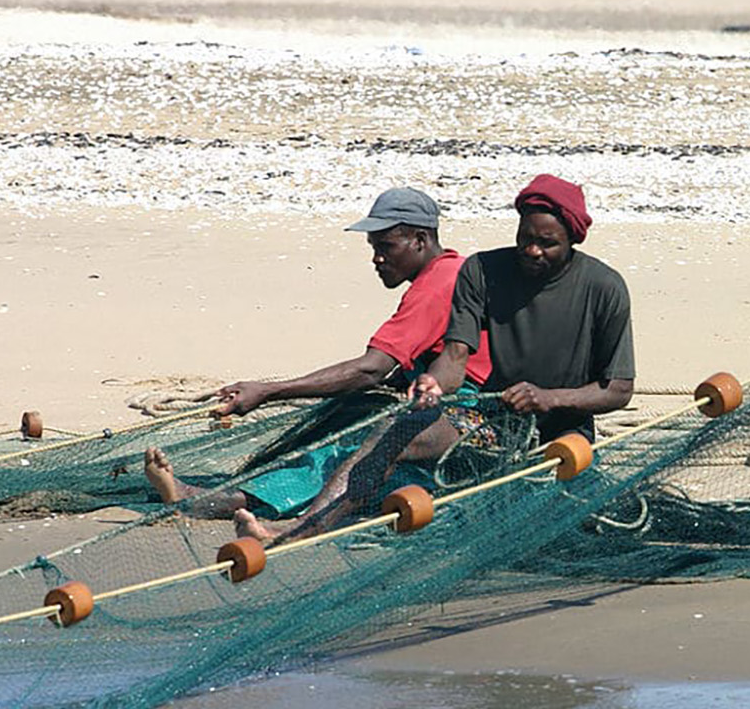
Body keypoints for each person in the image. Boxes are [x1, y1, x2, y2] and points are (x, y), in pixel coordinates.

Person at [233, 174, 635, 541]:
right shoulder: (482, 270)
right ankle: (303, 529)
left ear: (572, 240)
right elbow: (456, 354)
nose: (532, 250)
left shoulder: (604, 288)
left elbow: (617, 390)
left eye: (547, 243)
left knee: (568, 524)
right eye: (525, 238)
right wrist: (434, 382)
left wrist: (550, 398)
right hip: (491, 420)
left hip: (562, 432)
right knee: (395, 431)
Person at [144, 186, 490, 518]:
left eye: (386, 245)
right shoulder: (449, 273)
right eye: (372, 247)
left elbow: (371, 368)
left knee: (342, 448)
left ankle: (228, 503)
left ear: (420, 239)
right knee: (346, 429)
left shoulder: (437, 285)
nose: (377, 258)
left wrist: (268, 391)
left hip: (469, 413)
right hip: (442, 401)